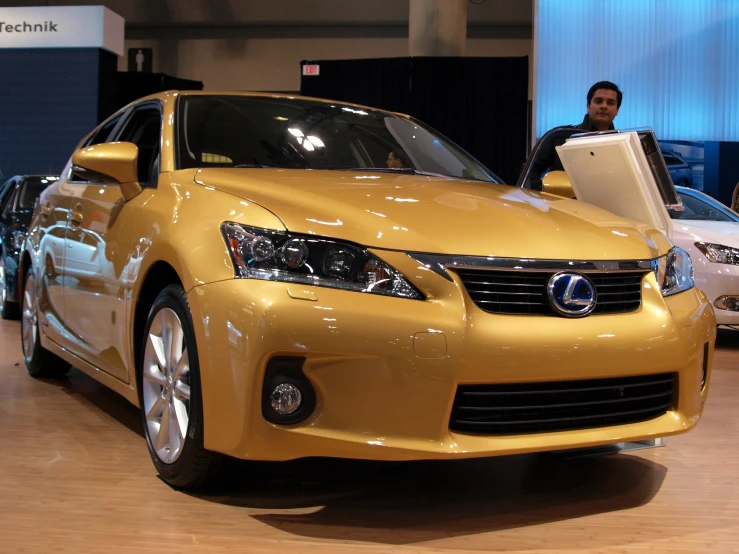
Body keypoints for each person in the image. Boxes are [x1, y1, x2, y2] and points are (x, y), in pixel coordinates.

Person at [528, 81, 623, 190]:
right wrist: (547, 195)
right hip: (563, 205)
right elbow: (529, 173)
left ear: (617, 110)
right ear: (588, 106)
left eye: (610, 103)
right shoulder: (559, 136)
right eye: (598, 101)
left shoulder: (623, 146)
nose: (604, 106)